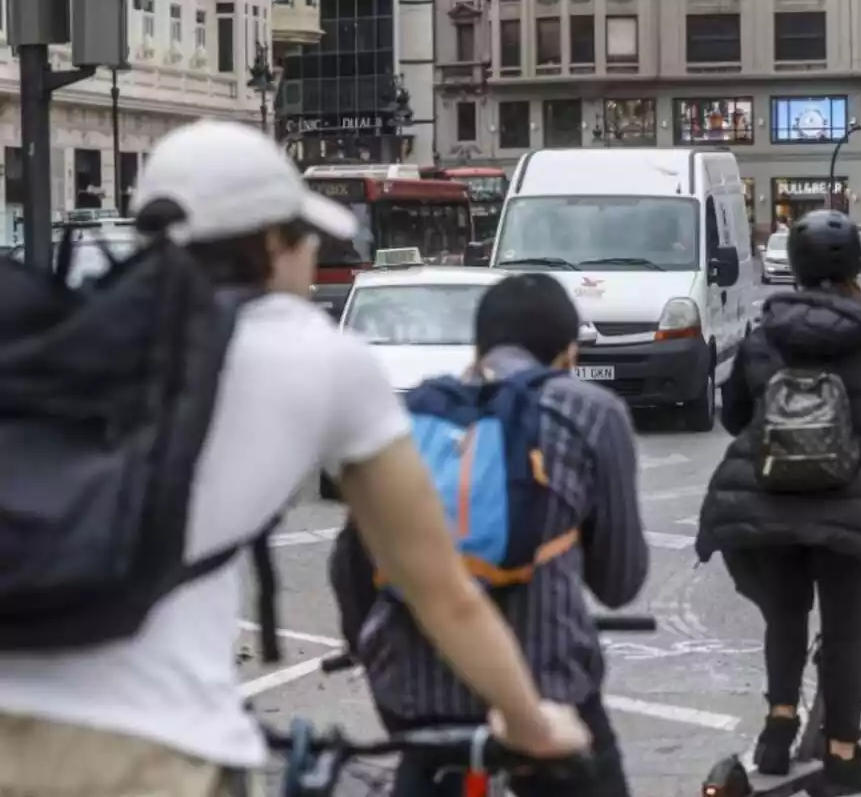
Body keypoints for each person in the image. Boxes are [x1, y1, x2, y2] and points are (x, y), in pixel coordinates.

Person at [0, 121, 589, 796]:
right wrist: (531, 725)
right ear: (277, 243)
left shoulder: (66, 336)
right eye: (309, 240)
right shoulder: (314, 356)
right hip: (151, 753)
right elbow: (440, 592)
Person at [362, 272, 649, 797]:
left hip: (416, 695)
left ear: (478, 348)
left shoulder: (417, 416)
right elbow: (620, 581)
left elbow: (355, 563)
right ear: (569, 354)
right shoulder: (591, 411)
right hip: (547, 695)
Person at [695, 211, 861, 793]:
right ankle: (842, 756)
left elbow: (735, 417)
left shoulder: (763, 331)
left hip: (767, 501)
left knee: (785, 617)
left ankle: (777, 734)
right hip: (852, 506)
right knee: (846, 633)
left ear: (794, 266)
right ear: (855, 264)